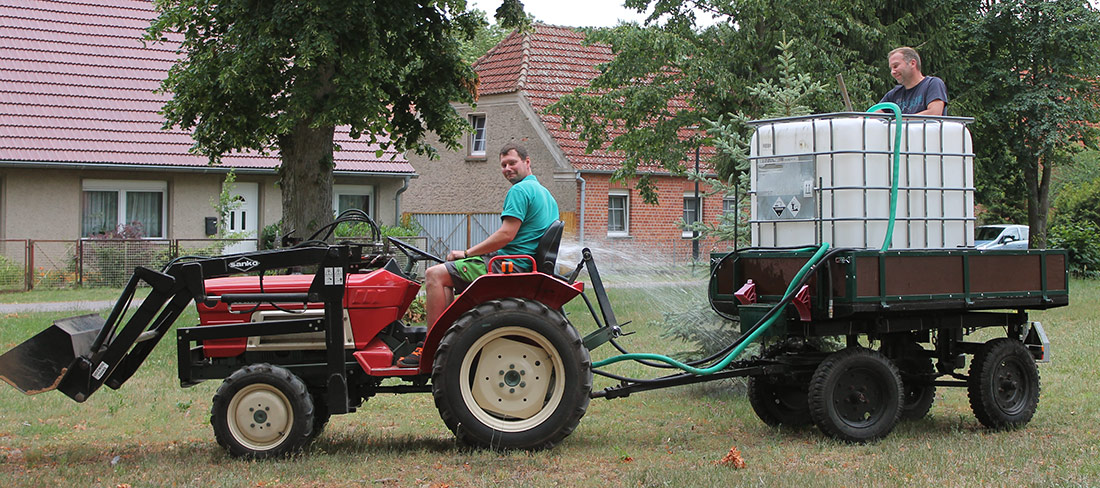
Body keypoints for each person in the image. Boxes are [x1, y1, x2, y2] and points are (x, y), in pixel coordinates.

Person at [397, 142, 560, 367]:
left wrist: (466, 253)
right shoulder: (546, 194)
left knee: (435, 275)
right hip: (523, 262)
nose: (507, 168)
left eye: (512, 162)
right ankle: (449, 339)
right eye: (503, 165)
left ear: (527, 162)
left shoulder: (520, 191)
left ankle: (431, 347)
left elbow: (506, 235)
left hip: (509, 264)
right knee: (445, 274)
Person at [879, 46, 948, 116]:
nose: (892, 72)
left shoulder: (932, 84)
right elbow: (873, 115)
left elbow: (935, 113)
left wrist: (899, 122)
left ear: (912, 63)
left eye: (895, 66)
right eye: (891, 69)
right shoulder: (893, 94)